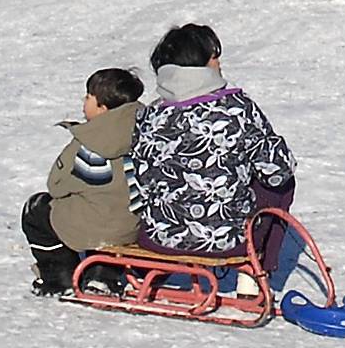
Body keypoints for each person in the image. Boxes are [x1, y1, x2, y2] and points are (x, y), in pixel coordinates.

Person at [125, 22, 295, 255]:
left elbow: (141, 179)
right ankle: (253, 276)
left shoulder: (150, 115)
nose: (219, 63)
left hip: (159, 237)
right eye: (213, 57)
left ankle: (153, 276)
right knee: (281, 183)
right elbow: (278, 172)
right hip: (225, 241)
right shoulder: (235, 109)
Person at [22, 66, 145, 297]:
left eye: (89, 96)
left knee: (37, 210)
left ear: (102, 108)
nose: (84, 101)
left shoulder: (90, 142)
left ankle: (60, 275)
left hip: (93, 226)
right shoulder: (146, 132)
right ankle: (103, 273)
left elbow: (57, 185)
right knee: (111, 218)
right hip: (132, 227)